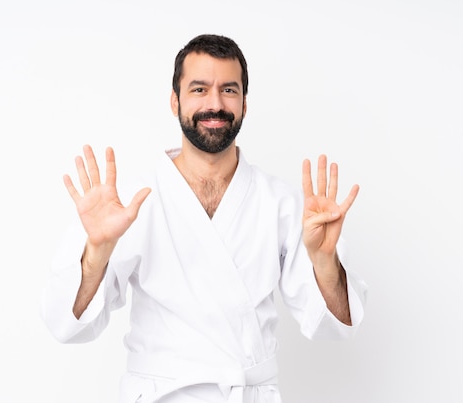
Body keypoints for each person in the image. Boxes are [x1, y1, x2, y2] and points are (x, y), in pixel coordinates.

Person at [41, 33, 368, 403]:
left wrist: (325, 262)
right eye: (199, 89)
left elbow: (338, 325)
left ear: (244, 103)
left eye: (229, 90)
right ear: (174, 101)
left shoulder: (283, 203)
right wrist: (96, 253)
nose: (215, 104)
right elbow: (66, 325)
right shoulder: (128, 203)